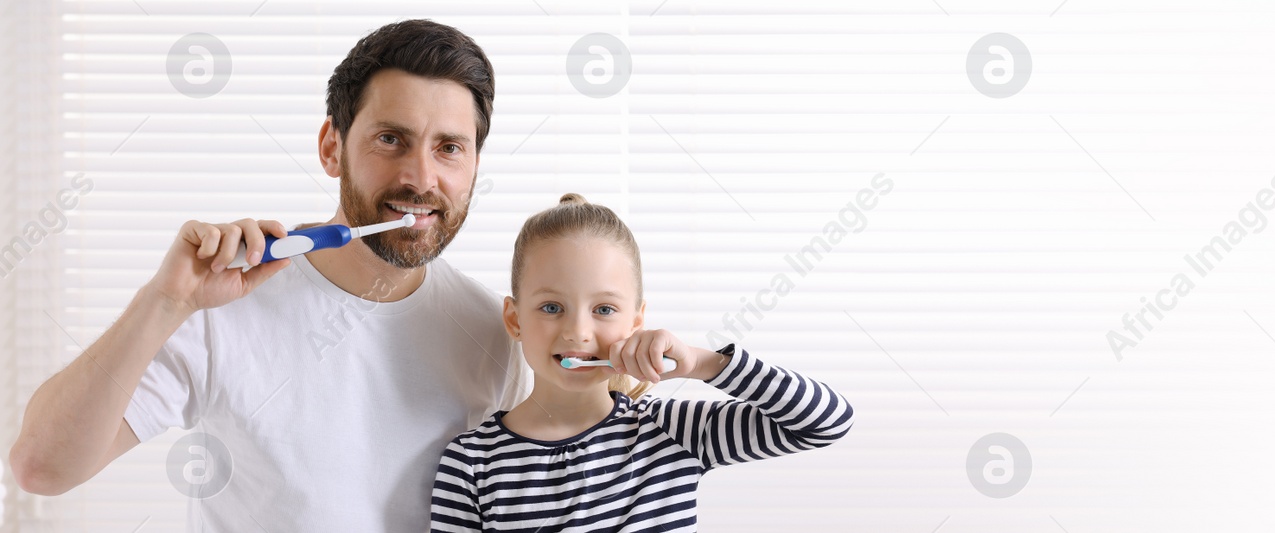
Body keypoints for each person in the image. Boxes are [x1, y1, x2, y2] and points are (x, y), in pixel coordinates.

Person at [8, 19, 527, 530]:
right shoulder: (221, 302)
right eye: (391, 139)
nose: (420, 177)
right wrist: (166, 301)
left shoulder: (493, 331)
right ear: (331, 147)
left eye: (450, 148)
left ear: (475, 165)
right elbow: (41, 468)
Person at [429, 193, 854, 532]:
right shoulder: (471, 462)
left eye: (605, 310)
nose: (578, 332)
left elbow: (827, 422)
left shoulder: (670, 432)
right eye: (552, 307)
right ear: (514, 318)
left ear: (636, 323)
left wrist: (701, 364)